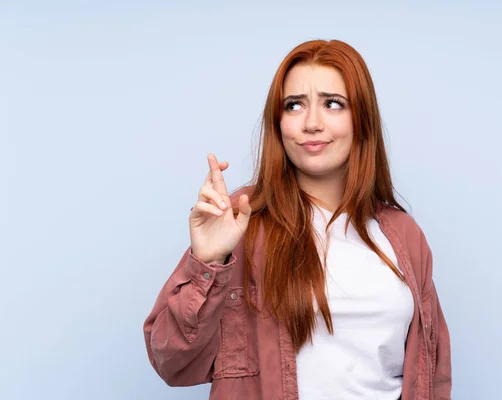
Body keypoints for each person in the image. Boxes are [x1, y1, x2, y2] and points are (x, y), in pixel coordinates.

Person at [143, 39, 451, 400]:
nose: (311, 123)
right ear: (279, 123)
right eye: (294, 106)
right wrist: (208, 263)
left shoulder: (404, 236)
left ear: (362, 120)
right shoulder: (242, 221)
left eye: (333, 104)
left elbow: (433, 374)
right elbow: (172, 362)